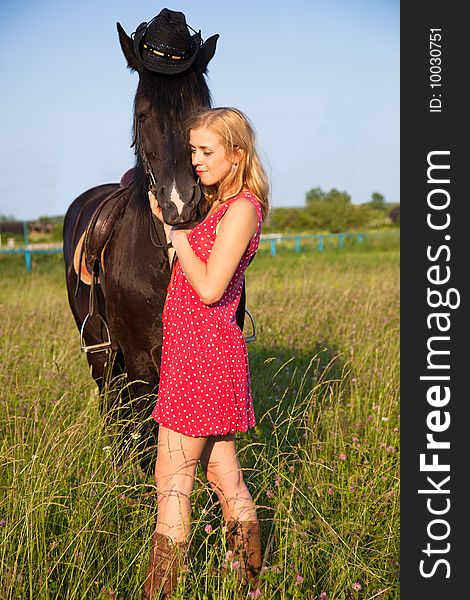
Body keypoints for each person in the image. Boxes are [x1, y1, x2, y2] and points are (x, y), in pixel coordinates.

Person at [142, 107, 269, 599]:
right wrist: (172, 229)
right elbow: (191, 274)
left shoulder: (241, 209)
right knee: (223, 475)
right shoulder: (220, 206)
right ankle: (249, 588)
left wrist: (176, 235)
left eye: (206, 151)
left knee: (171, 484)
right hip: (194, 353)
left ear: (237, 154)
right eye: (193, 149)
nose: (195, 160)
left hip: (202, 357)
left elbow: (212, 288)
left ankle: (161, 594)